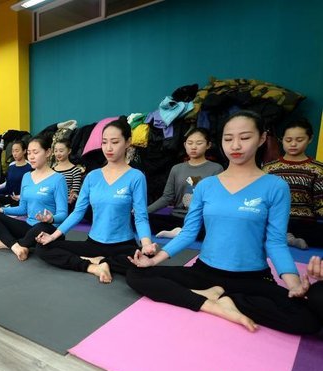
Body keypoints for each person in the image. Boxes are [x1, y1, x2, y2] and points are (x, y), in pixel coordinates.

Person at [126, 111, 322, 335]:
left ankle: (229, 299)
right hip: (204, 273)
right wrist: (154, 261)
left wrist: (294, 283)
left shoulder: (275, 186)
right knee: (136, 274)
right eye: (228, 139)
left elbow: (275, 243)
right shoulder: (206, 186)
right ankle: (211, 303)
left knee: (307, 321)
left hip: (252, 278)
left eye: (245, 137)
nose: (235, 145)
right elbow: (189, 232)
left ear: (261, 138)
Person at [36, 118, 155, 283]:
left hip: (123, 245)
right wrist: (53, 236)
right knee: (43, 248)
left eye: (114, 142)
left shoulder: (136, 176)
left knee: (144, 267)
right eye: (104, 142)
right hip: (93, 244)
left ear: (128, 142)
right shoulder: (92, 176)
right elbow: (78, 212)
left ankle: (103, 261)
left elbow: (141, 216)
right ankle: (94, 265)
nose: (108, 148)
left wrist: (147, 244)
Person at [0, 135, 68, 261]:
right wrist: (0, 209)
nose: (31, 156)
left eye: (35, 152)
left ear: (48, 152)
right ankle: (17, 246)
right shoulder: (27, 177)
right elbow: (23, 209)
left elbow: (63, 214)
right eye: (29, 153)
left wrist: (51, 219)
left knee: (40, 227)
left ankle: (13, 243)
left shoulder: (58, 179)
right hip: (29, 227)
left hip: (48, 229)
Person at [148, 127, 224, 239]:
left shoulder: (216, 169)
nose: (193, 147)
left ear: (208, 145)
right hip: (176, 217)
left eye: (199, 143)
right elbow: (167, 197)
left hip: (200, 220)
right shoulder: (176, 169)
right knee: (141, 221)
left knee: (215, 229)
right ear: (185, 145)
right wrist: (144, 212)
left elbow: (216, 201)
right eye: (190, 143)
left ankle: (182, 232)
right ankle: (182, 232)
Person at [262, 118, 323, 249]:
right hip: (274, 220)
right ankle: (288, 238)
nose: (293, 144)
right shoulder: (269, 168)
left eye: (299, 140)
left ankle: (287, 237)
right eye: (288, 140)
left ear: (310, 139)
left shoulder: (318, 169)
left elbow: (321, 204)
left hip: (304, 223)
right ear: (281, 139)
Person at [0, 140, 33, 207]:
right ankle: (4, 208)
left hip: (19, 198)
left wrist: (20, 196)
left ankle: (5, 209)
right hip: (7, 193)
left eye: (17, 151)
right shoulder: (11, 165)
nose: (14, 153)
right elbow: (8, 181)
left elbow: (31, 188)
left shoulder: (30, 167)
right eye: (13, 151)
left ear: (24, 151)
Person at [52, 139, 84, 214]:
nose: (58, 153)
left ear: (69, 151)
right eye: (56, 151)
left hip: (67, 203)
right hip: (53, 202)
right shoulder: (52, 170)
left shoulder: (75, 170)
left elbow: (74, 192)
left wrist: (70, 198)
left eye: (61, 151)